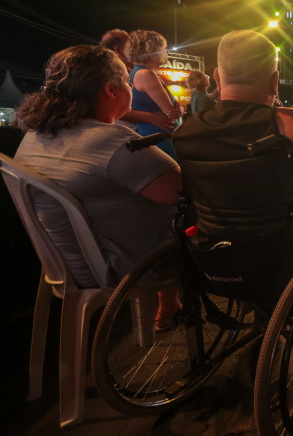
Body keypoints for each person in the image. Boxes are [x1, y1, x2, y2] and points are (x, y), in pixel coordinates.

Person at [173, 30, 293, 308]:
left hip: (214, 260)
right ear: (275, 82)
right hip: (285, 263)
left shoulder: (187, 130)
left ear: (218, 77)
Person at [14, 45, 181, 288]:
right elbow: (180, 190)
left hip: (67, 266)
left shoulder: (36, 134)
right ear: (111, 90)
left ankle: (169, 305)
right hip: (126, 271)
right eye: (127, 81)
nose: (131, 87)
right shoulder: (111, 142)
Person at [99, 29, 174, 132]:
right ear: (118, 50)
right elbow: (109, 108)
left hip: (139, 132)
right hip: (122, 135)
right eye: (130, 45)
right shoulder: (106, 74)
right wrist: (151, 117)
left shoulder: (134, 71)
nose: (135, 48)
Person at [128, 30, 182, 159]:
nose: (166, 52)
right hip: (159, 138)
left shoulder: (142, 72)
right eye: (164, 48)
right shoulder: (146, 74)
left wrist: (179, 109)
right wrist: (180, 108)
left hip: (159, 136)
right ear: (153, 49)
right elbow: (170, 112)